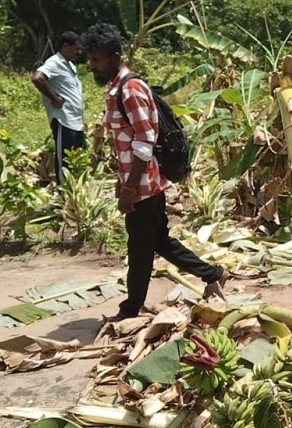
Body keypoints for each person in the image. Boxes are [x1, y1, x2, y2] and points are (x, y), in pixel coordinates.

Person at [81, 23, 227, 319]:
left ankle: (130, 309)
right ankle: (213, 273)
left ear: (115, 57)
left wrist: (130, 188)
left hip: (144, 186)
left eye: (97, 59)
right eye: (90, 59)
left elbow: (144, 141)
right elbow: (128, 143)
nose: (92, 65)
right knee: (159, 241)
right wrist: (122, 181)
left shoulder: (130, 90)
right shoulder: (118, 88)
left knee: (139, 250)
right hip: (142, 182)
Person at [32, 31, 85, 185]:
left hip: (75, 121)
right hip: (63, 119)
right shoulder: (55, 62)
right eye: (76, 48)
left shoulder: (70, 65)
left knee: (75, 159)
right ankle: (63, 192)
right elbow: (37, 78)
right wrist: (54, 98)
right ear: (65, 46)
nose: (79, 52)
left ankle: (75, 191)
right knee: (64, 161)